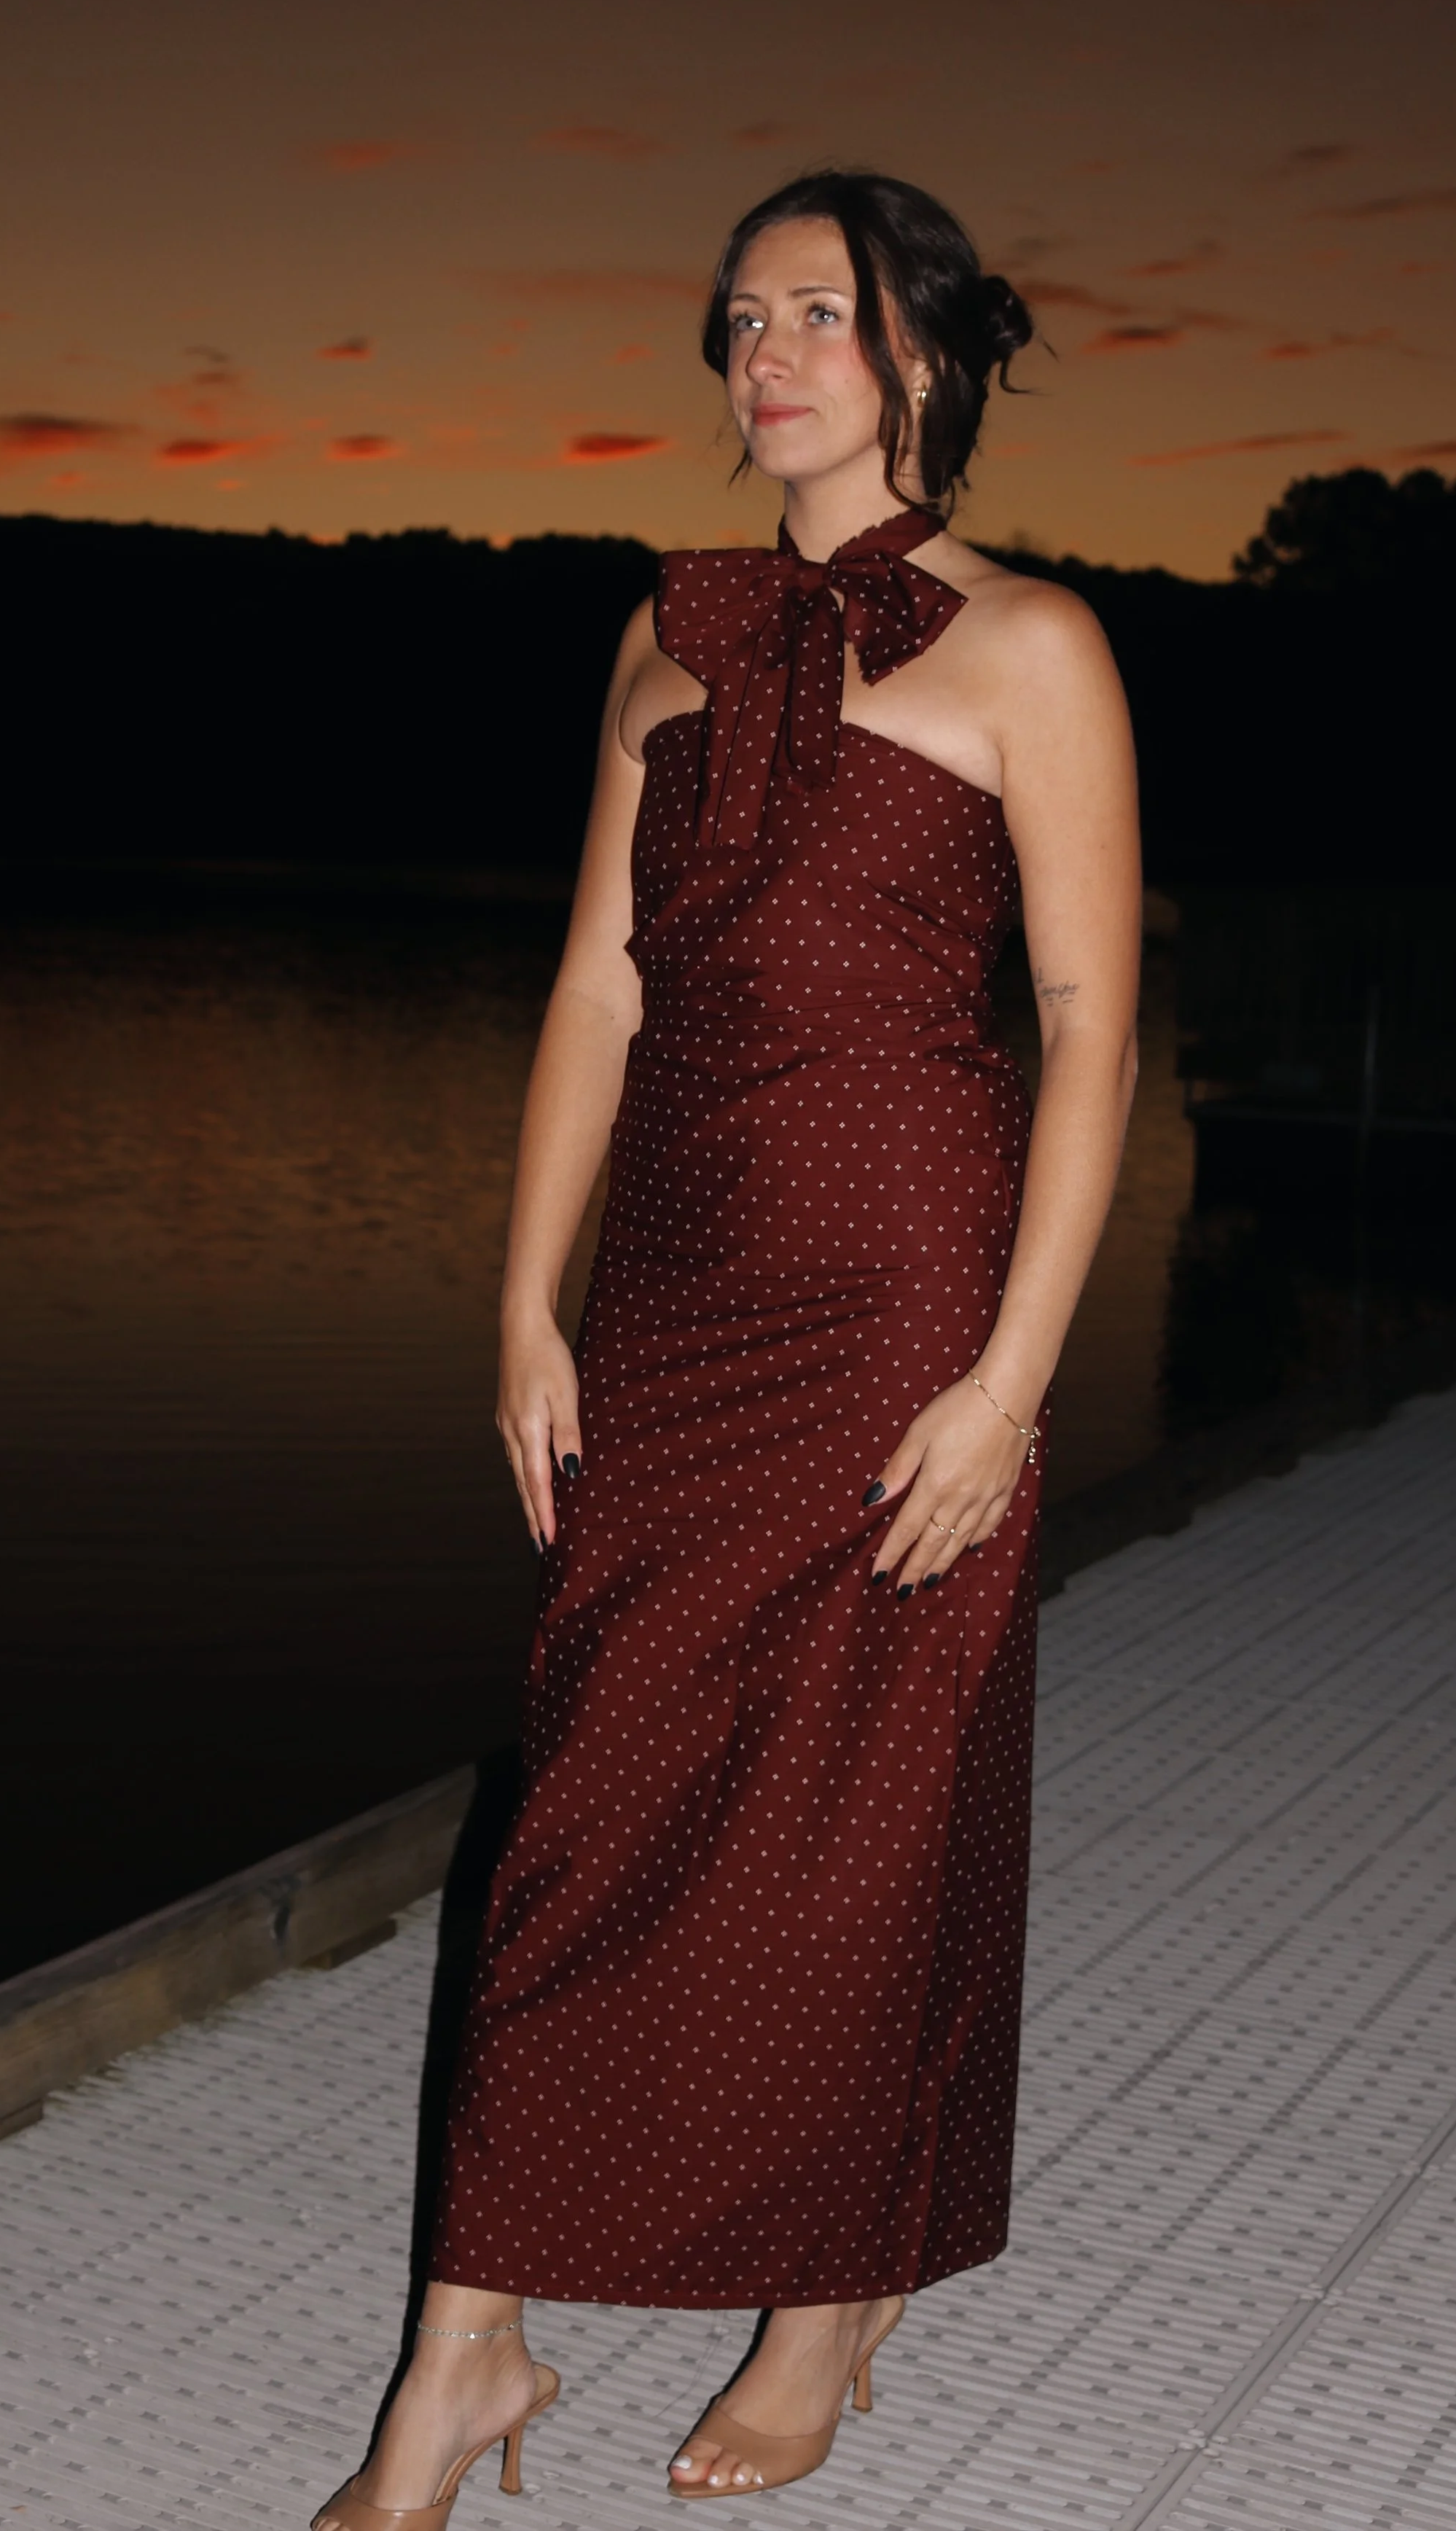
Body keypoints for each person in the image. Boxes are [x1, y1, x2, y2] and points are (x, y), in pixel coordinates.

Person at [311, 168, 1140, 2526]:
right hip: (674, 1298)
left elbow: (1083, 1025)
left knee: (868, 1810)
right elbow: (598, 982)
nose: (763, 352)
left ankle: (827, 2300)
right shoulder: (657, 633)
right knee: (578, 1816)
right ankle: (458, 2361)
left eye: (817, 313)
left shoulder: (1032, 647)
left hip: (903, 1288)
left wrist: (1005, 1376)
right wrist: (519, 1297)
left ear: (923, 356)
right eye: (738, 316)